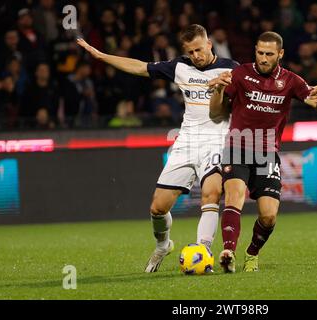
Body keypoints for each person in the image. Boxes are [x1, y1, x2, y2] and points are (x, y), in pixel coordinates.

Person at [77, 24, 238, 272]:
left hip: (216, 140)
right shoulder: (179, 66)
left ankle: (203, 250)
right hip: (186, 142)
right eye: (190, 51)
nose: (196, 55)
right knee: (158, 207)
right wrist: (101, 56)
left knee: (211, 194)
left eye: (199, 49)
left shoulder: (231, 69)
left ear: (209, 44)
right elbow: (140, 67)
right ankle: (163, 245)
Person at [209, 31, 317, 273]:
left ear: (280, 54)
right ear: (255, 50)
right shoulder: (240, 74)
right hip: (237, 147)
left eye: (269, 54)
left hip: (267, 153)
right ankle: (228, 252)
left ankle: (252, 253)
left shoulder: (291, 81)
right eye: (260, 52)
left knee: (268, 216)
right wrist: (219, 91)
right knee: (234, 196)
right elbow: (215, 114)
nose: (263, 58)